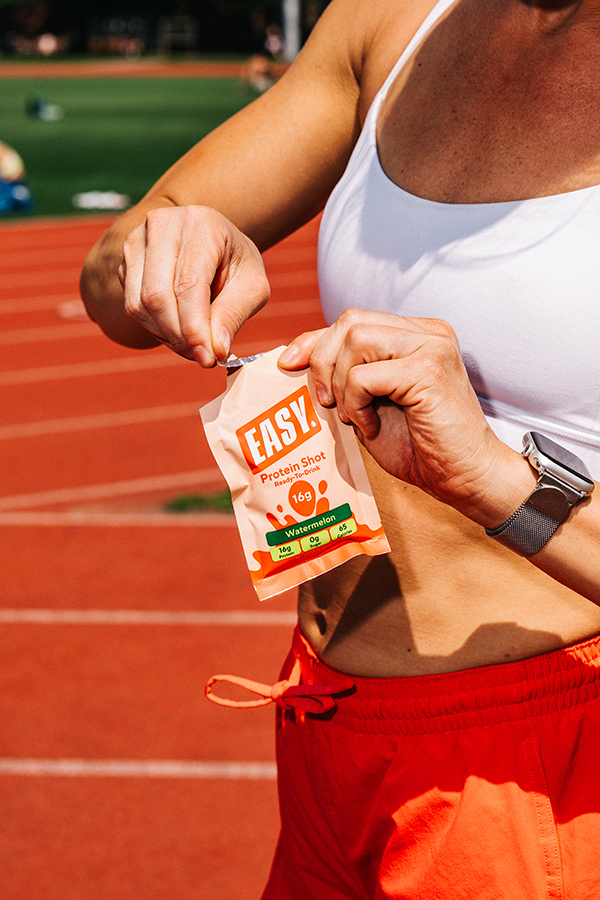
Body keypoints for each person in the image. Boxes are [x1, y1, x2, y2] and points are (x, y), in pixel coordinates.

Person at [80, 0, 600, 896]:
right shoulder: (395, 16)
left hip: (533, 764)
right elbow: (109, 269)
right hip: (324, 723)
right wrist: (166, 247)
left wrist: (496, 478)